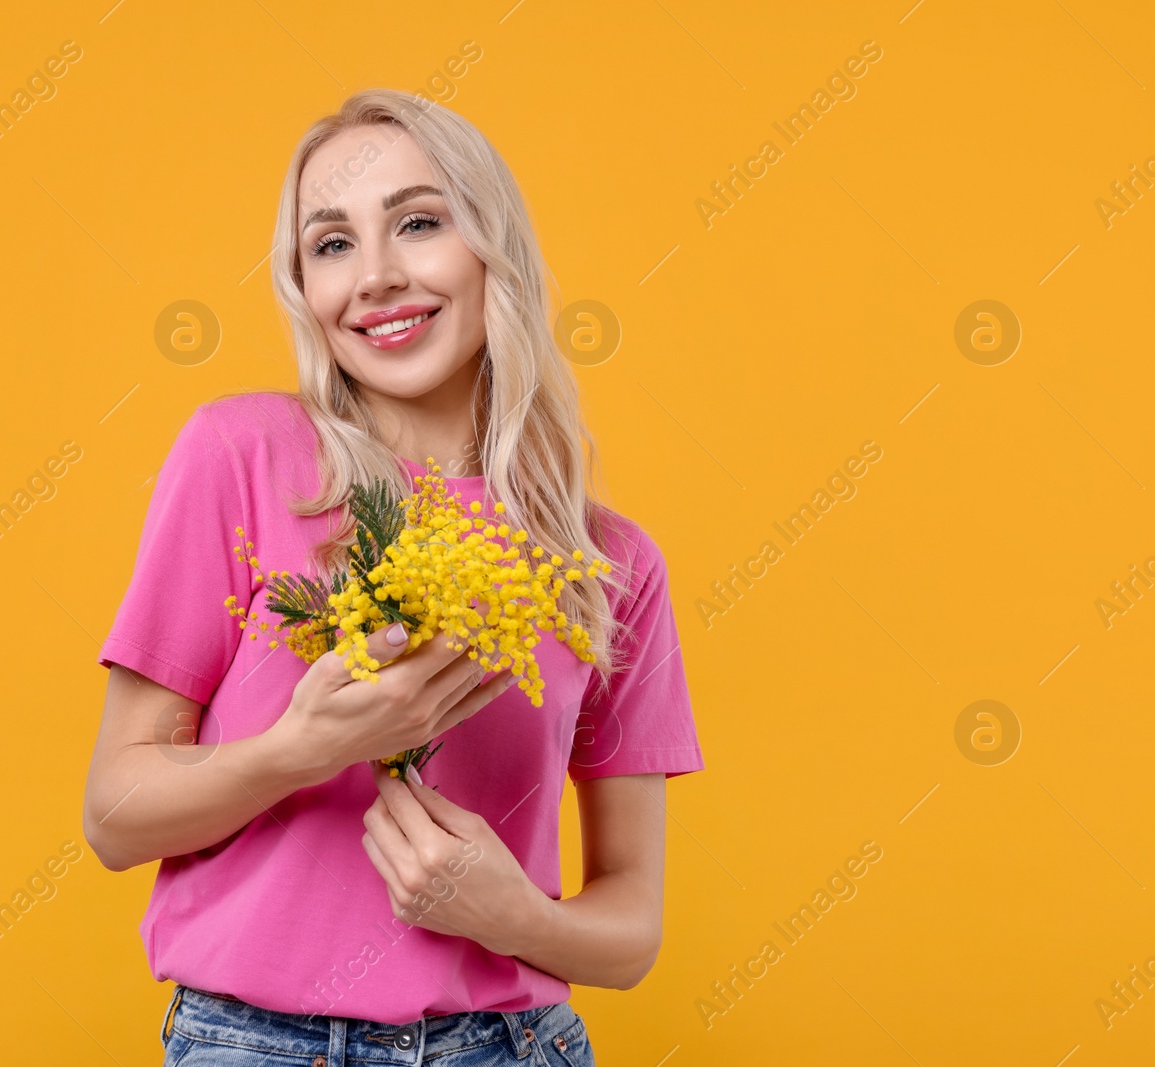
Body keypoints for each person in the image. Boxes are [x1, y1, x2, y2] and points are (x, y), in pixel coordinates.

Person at [83, 87, 704, 1066]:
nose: (373, 276)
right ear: (304, 287)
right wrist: (296, 748)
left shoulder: (606, 563)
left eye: (418, 223)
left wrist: (510, 914)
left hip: (508, 1045)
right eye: (330, 244)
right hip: (252, 1046)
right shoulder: (241, 457)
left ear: (491, 248)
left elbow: (631, 931)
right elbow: (113, 816)